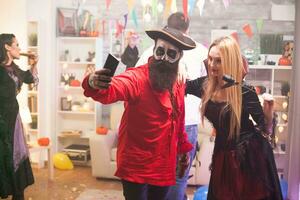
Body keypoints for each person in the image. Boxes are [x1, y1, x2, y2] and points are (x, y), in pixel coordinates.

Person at [82, 27, 196, 200]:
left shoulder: (177, 82)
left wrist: (183, 150)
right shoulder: (137, 77)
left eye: (171, 54)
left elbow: (178, 119)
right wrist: (93, 81)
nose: (164, 58)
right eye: (160, 51)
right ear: (154, 50)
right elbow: (116, 88)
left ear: (179, 57)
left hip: (164, 164)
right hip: (136, 164)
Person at [186, 36, 283, 199]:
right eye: (210, 59)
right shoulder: (204, 85)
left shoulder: (244, 91)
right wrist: (179, 70)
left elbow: (265, 128)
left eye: (218, 61)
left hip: (248, 156)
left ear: (229, 62)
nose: (211, 65)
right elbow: (179, 86)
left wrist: (269, 111)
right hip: (222, 155)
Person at [136, 12, 208, 200]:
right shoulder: (201, 51)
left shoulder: (150, 51)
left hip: (160, 124)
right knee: (178, 177)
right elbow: (210, 84)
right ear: (188, 29)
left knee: (156, 176)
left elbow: (135, 77)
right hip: (187, 122)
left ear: (166, 27)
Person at [0, 33, 38, 200]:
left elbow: (31, 79)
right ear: (7, 47)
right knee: (4, 162)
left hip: (13, 120)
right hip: (2, 123)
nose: (20, 48)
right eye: (17, 44)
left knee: (17, 163)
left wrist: (34, 64)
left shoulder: (14, 68)